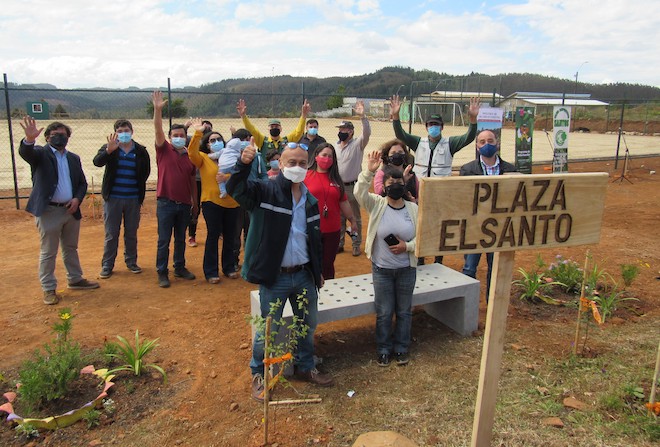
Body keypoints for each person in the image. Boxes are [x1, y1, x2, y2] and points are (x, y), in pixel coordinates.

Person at [226, 139, 334, 402]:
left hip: (304, 275)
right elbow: (235, 188)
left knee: (306, 325)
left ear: (307, 165)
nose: (296, 167)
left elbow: (314, 239)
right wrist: (243, 164)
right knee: (268, 330)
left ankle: (305, 366)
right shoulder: (265, 192)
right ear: (280, 164)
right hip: (275, 277)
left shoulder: (309, 199)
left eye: (300, 163)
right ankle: (259, 373)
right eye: (290, 162)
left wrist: (317, 271)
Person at [18, 116, 100, 305]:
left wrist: (77, 199)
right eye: (55, 135)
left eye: (63, 135)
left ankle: (75, 279)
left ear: (68, 138)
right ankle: (48, 288)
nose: (59, 138)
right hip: (49, 211)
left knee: (70, 247)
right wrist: (29, 140)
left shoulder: (73, 158)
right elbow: (26, 153)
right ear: (47, 137)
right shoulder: (40, 154)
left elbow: (81, 182)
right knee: (49, 251)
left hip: (70, 210)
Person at [389, 94, 479, 264]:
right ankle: (420, 260)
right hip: (419, 191)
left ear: (442, 127)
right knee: (419, 226)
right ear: (426, 127)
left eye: (436, 125)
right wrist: (395, 117)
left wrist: (473, 121)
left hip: (440, 194)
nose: (433, 127)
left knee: (439, 228)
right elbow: (400, 134)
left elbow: (468, 137)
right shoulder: (418, 142)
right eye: (431, 125)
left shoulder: (450, 143)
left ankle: (438, 260)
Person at [355, 150, 418, 367]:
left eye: (399, 181)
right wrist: (369, 172)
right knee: (384, 312)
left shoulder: (414, 209)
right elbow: (358, 193)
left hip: (406, 270)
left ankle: (401, 348)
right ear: (385, 186)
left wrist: (407, 246)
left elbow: (425, 238)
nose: (395, 185)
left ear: (404, 183)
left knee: (404, 311)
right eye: (391, 182)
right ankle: (383, 349)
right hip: (381, 269)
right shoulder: (377, 204)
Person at [459, 130, 517, 299]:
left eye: (490, 141)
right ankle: (467, 305)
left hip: (500, 229)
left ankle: (492, 303)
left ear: (497, 143)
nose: (487, 145)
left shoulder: (510, 170)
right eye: (482, 142)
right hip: (475, 228)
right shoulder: (467, 169)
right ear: (477, 146)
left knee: (495, 267)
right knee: (469, 267)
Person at [93, 119, 151, 279]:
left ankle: (131, 262)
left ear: (132, 131)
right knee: (111, 233)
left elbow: (145, 173)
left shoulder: (140, 151)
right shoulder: (110, 147)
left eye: (126, 130)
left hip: (133, 198)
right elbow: (97, 162)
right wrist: (108, 151)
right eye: (119, 131)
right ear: (115, 133)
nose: (123, 133)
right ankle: (107, 265)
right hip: (113, 199)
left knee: (131, 232)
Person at [151, 91, 198, 288]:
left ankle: (179, 267)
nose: (178, 137)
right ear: (169, 137)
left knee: (180, 239)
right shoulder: (163, 149)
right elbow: (157, 130)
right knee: (164, 240)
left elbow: (193, 182)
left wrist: (195, 203)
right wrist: (157, 110)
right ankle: (162, 272)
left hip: (184, 204)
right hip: (166, 203)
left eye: (182, 135)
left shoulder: (190, 156)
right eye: (175, 135)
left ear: (186, 138)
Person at [189, 126, 242, 283]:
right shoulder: (203, 158)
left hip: (232, 202)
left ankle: (229, 267)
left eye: (219, 139)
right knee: (213, 235)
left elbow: (240, 174)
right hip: (211, 202)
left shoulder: (231, 157)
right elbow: (192, 153)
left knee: (230, 236)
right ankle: (211, 271)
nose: (217, 142)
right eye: (212, 140)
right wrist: (198, 133)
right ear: (207, 144)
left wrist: (226, 178)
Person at [305, 142, 358, 279]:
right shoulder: (306, 176)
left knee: (328, 264)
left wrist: (352, 220)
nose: (327, 159)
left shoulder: (336, 179)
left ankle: (328, 290)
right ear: (316, 156)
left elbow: (343, 201)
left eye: (330, 156)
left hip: (332, 230)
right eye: (324, 155)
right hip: (310, 228)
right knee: (310, 262)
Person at [236, 98, 310, 178]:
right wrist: (243, 116)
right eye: (272, 126)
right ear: (268, 129)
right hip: (265, 176)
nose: (274, 128)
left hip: (283, 175)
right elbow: (252, 130)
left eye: (277, 126)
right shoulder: (262, 141)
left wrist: (304, 116)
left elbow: (298, 132)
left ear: (281, 129)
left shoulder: (287, 140)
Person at [335, 100, 370, 256]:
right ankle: (340, 243)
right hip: (338, 186)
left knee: (354, 217)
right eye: (340, 128)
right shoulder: (335, 146)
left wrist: (363, 117)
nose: (341, 131)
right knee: (340, 217)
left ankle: (356, 244)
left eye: (344, 129)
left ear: (351, 131)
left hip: (352, 187)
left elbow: (367, 133)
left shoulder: (358, 145)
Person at [186, 120, 212, 248]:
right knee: (195, 208)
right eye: (204, 127)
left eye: (208, 127)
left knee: (212, 206)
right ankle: (192, 235)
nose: (206, 129)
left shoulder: (213, 143)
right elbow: (184, 140)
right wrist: (187, 126)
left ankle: (217, 232)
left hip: (210, 181)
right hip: (197, 180)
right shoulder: (194, 140)